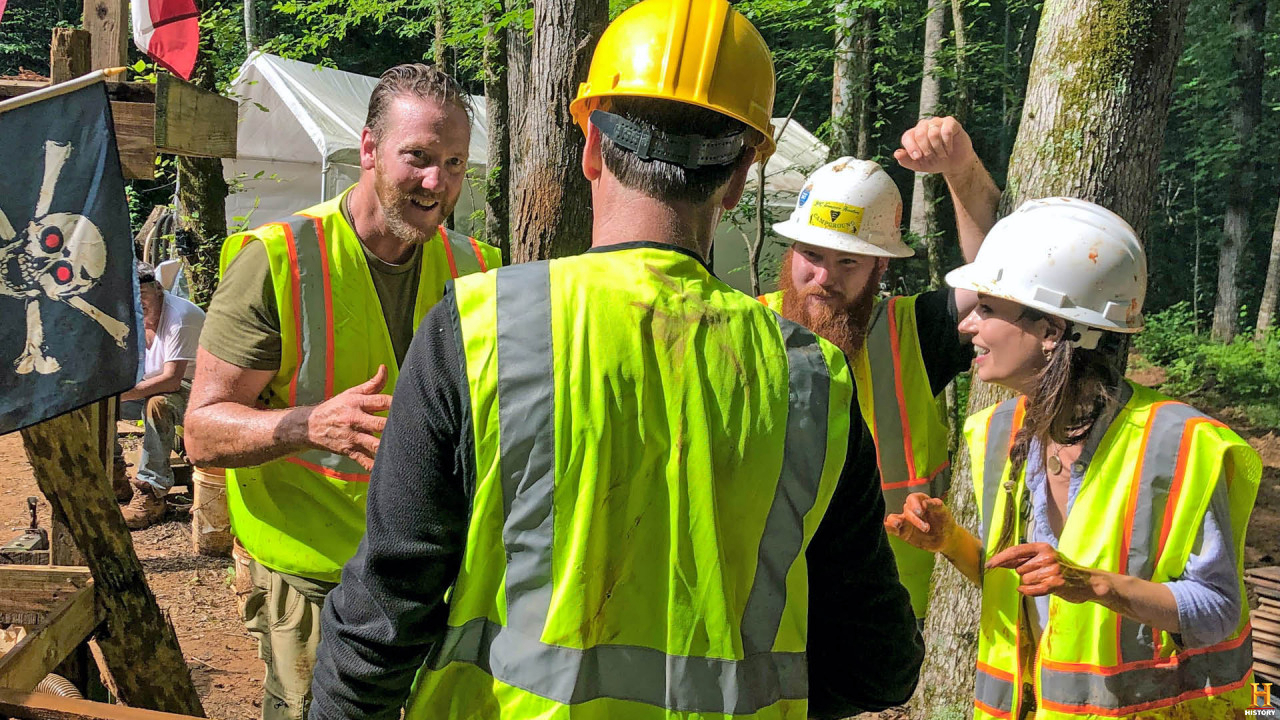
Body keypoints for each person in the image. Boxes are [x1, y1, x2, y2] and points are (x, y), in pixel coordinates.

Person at [309, 1, 922, 718]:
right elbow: (878, 666)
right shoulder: (811, 380)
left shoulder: (483, 329)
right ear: (737, 180)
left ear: (591, 147)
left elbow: (384, 621)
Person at [184, 63, 502, 720]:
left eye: (454, 163)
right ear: (368, 149)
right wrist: (306, 425)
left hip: (433, 580)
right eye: (416, 157)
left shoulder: (481, 270)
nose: (435, 182)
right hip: (313, 586)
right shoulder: (277, 261)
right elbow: (201, 430)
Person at [885, 198, 1261, 719]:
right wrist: (950, 543)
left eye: (989, 309)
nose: (967, 325)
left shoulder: (1180, 444)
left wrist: (1099, 586)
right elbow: (1033, 587)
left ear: (1052, 331)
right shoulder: (999, 433)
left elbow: (1219, 611)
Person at [757, 117, 1000, 620]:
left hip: (884, 616)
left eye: (849, 262)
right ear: (791, 250)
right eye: (812, 254)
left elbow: (1000, 281)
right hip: (770, 602)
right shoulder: (747, 327)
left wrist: (962, 171)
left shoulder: (911, 333)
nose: (823, 278)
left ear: (880, 267)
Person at [117, 261, 205, 529]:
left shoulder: (181, 317)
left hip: (199, 389)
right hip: (153, 383)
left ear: (157, 289)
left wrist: (121, 395)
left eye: (142, 295)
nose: (138, 303)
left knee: (158, 405)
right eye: (132, 297)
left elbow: (172, 379)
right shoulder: (126, 314)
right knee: (98, 404)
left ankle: (151, 491)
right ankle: (114, 476)